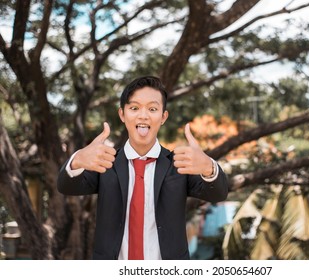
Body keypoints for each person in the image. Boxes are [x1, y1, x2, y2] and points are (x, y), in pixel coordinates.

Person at [57, 76, 228, 260]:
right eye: (134, 108)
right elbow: (66, 187)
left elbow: (218, 194)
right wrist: (77, 160)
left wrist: (209, 167)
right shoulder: (106, 162)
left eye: (153, 109)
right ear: (122, 114)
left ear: (163, 117)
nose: (143, 115)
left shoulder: (178, 164)